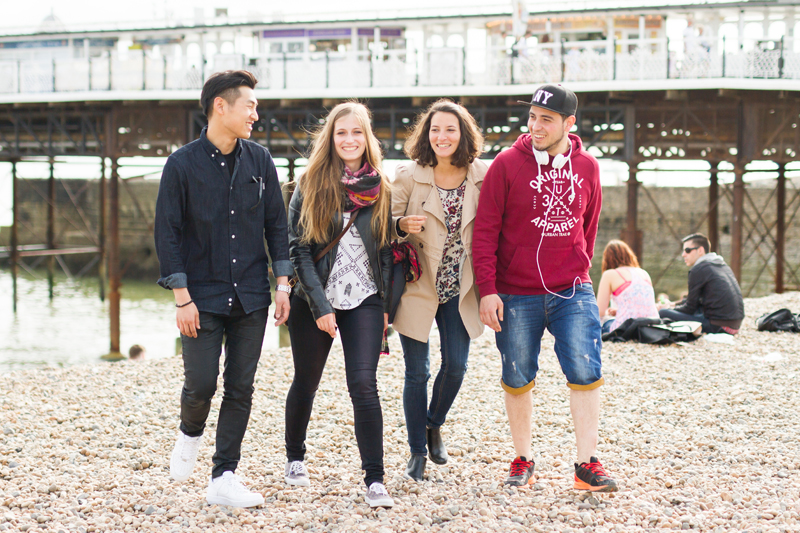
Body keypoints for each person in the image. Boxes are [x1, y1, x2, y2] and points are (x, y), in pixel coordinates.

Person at [154, 70, 293, 508]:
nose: (255, 113)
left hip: (251, 295)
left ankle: (223, 476)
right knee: (200, 385)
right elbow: (168, 234)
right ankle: (190, 432)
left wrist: (283, 283)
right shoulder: (181, 164)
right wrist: (181, 297)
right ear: (221, 106)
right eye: (248, 105)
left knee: (241, 387)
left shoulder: (260, 160)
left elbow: (277, 225)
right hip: (201, 298)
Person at [473, 84, 618, 492]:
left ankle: (586, 464)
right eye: (533, 116)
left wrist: (579, 270)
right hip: (516, 292)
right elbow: (485, 232)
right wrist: (488, 288)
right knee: (517, 376)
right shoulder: (506, 163)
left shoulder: (588, 167)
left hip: (572, 289)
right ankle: (523, 458)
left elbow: (588, 226)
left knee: (586, 371)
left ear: (569, 124)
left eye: (546, 119)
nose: (535, 126)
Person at [284, 102, 394, 508]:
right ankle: (295, 456)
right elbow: (298, 250)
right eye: (341, 133)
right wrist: (320, 305)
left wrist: (386, 307)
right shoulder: (311, 182)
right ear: (331, 138)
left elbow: (384, 250)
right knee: (307, 381)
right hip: (315, 298)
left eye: (357, 132)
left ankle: (375, 479)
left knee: (364, 385)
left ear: (368, 138)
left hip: (365, 298)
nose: (349, 140)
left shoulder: (380, 186)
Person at [392, 100, 488, 481]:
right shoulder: (407, 175)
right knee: (417, 372)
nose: (442, 137)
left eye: (450, 129)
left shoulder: (482, 174)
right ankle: (417, 451)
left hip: (460, 286)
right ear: (425, 134)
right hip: (418, 284)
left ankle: (433, 423)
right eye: (435, 130)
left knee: (457, 365)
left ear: (463, 133)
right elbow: (386, 224)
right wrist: (402, 224)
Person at [658, 233, 744, 335]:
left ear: (700, 250)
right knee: (689, 309)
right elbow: (695, 301)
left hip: (719, 326)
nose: (683, 254)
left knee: (663, 313)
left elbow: (689, 308)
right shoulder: (721, 264)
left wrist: (668, 309)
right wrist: (673, 304)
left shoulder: (698, 270)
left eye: (687, 250)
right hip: (735, 325)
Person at [595, 240, 659, 334]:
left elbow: (600, 312)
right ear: (629, 255)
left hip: (626, 327)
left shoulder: (609, 274)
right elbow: (643, 304)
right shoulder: (644, 272)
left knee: (604, 323)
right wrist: (620, 310)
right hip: (652, 326)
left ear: (607, 259)